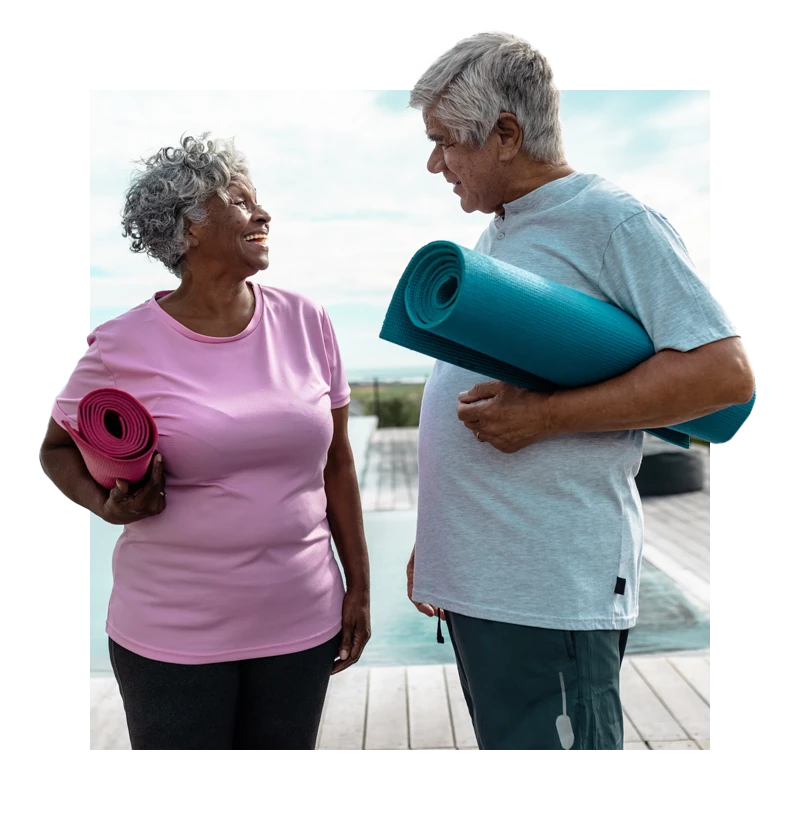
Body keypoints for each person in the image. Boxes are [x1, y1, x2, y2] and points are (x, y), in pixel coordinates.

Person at [404, 31, 754, 751]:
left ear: (506, 135)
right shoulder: (505, 231)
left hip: (550, 593)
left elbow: (723, 371)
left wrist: (545, 418)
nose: (435, 163)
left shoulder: (612, 219)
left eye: (445, 142)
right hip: (489, 583)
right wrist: (441, 539)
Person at [39, 134, 371, 751]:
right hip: (172, 633)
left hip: (302, 618)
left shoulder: (308, 320)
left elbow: (338, 463)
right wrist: (104, 504)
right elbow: (55, 447)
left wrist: (360, 588)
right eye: (240, 202)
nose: (263, 214)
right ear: (189, 227)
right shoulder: (121, 343)